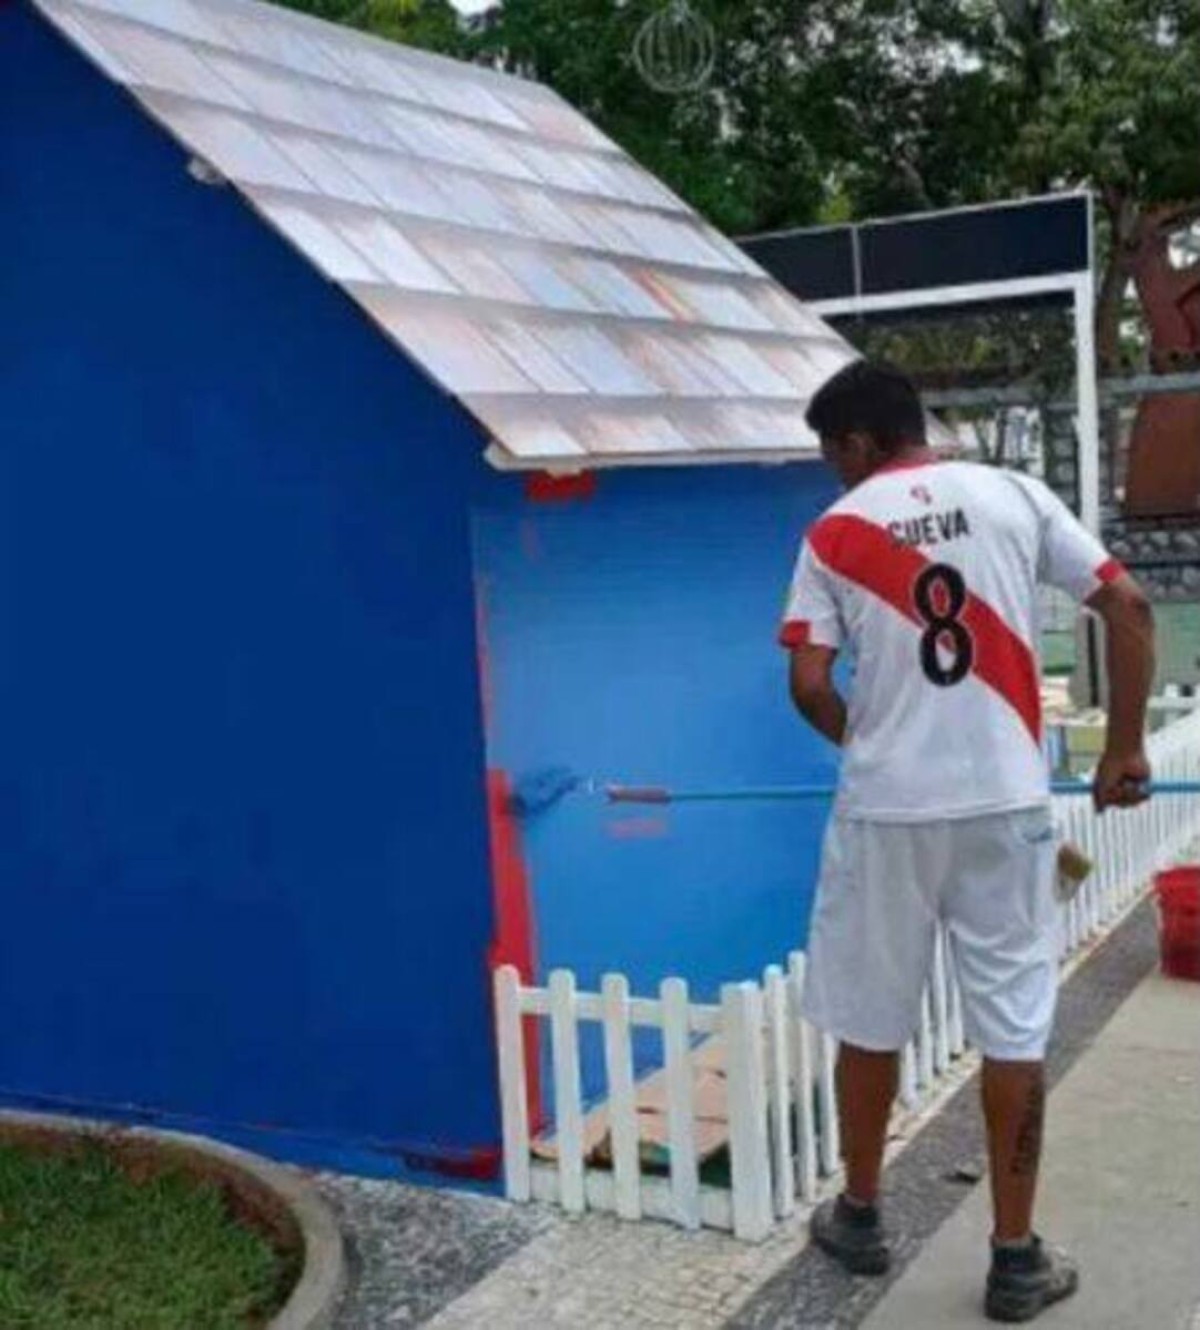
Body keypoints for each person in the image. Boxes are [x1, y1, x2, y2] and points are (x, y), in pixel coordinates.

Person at [779, 359, 1155, 1323]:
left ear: (859, 443)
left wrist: (871, 746)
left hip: (885, 817)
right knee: (1015, 1025)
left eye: (833, 455)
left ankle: (860, 1216)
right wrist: (1122, 749)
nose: (834, 474)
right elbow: (1128, 606)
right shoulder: (1016, 496)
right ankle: (1015, 1256)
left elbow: (812, 686)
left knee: (870, 1019)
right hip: (1006, 809)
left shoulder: (834, 534)